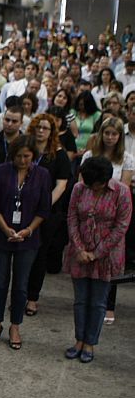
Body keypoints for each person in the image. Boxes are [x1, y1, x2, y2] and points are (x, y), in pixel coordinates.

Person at [0, 135, 52, 350]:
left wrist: (28, 230)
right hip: (2, 234)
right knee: (0, 281)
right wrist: (6, 228)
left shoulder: (42, 175)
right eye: (19, 156)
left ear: (34, 156)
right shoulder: (1, 171)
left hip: (28, 238)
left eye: (27, 157)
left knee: (21, 285)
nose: (22, 160)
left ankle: (15, 325)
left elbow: (44, 208)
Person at [63, 156, 133, 363]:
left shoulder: (122, 192)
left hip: (107, 254)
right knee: (80, 300)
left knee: (99, 302)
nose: (93, 188)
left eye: (97, 185)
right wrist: (79, 248)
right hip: (80, 252)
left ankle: (90, 343)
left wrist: (96, 252)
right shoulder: (78, 189)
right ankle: (78, 340)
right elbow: (72, 218)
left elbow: (121, 226)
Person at [80, 116, 134, 325]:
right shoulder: (89, 155)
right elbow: (81, 185)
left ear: (120, 137)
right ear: (101, 134)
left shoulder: (127, 158)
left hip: (111, 217)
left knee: (108, 264)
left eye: (114, 134)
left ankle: (108, 305)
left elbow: (124, 188)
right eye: (107, 133)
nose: (110, 137)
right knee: (87, 259)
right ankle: (86, 300)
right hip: (89, 215)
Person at [23, 114, 72, 316]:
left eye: (46, 128)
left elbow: (61, 186)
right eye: (38, 127)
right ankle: (19, 294)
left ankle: (32, 298)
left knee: (39, 256)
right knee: (21, 255)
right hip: (23, 209)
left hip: (47, 213)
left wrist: (43, 207)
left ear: (52, 132)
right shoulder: (26, 150)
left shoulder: (59, 155)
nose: (41, 131)